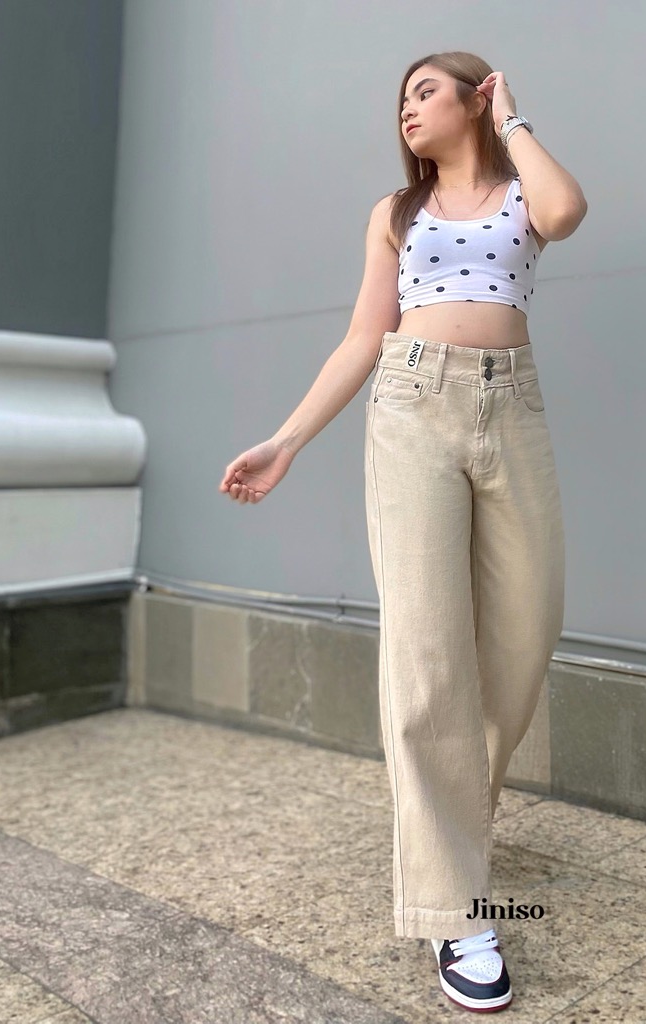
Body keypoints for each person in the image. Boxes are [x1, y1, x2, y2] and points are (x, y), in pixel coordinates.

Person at [219, 51, 587, 1013]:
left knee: (526, 632)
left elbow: (564, 213)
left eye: (426, 91)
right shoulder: (395, 214)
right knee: (427, 654)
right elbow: (362, 337)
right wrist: (286, 440)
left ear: (478, 95)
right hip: (412, 407)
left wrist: (514, 121)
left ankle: (455, 823)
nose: (407, 110)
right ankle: (454, 907)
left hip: (512, 410)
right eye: (401, 100)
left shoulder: (521, 188)